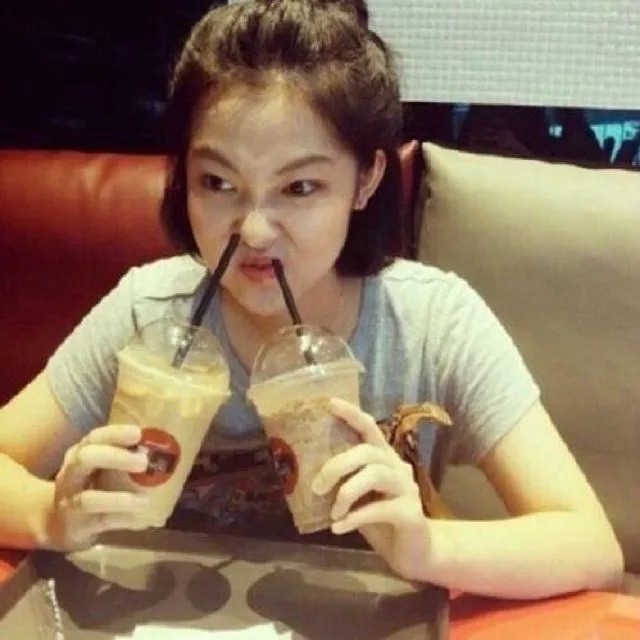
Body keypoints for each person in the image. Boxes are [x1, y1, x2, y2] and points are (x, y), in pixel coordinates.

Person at [0, 0, 622, 600]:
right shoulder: (151, 312)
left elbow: (588, 545)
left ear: (366, 179)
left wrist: (427, 547)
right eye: (217, 182)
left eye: (299, 187)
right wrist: (51, 515)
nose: (254, 231)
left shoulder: (431, 324)